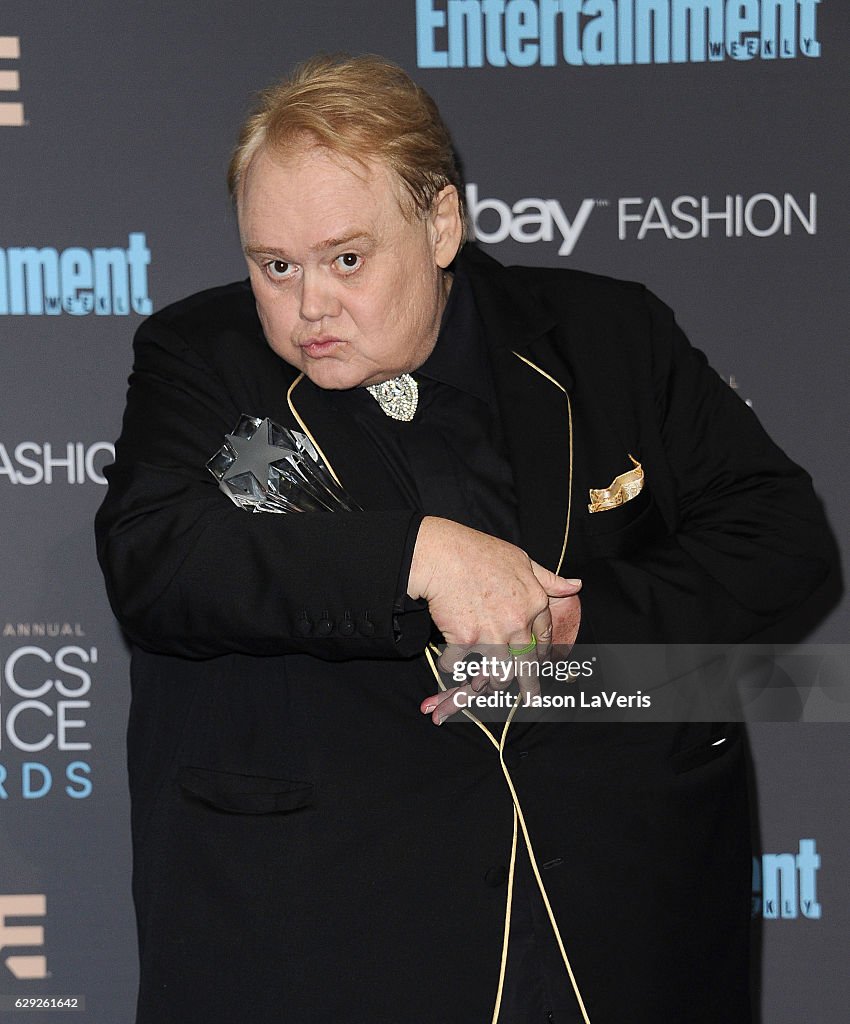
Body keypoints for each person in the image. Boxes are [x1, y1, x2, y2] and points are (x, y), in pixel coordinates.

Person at [95, 54, 832, 1024]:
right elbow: (158, 557)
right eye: (276, 266)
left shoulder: (609, 334)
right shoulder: (201, 360)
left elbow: (784, 544)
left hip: (620, 922)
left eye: (346, 258)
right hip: (337, 933)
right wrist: (417, 553)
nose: (309, 303)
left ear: (440, 223)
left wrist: (574, 624)